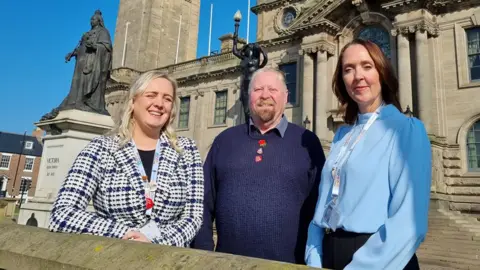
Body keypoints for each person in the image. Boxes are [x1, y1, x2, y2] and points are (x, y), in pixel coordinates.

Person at [305, 39, 432, 270]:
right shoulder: (342, 136)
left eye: (367, 66)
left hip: (380, 259)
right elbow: (322, 206)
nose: (357, 76)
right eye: (348, 69)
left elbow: (409, 224)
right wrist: (314, 255)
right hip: (329, 253)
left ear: (381, 72)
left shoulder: (407, 130)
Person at [49, 70, 204, 247]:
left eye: (167, 99)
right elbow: (62, 213)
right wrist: (124, 233)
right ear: (133, 101)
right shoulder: (101, 149)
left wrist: (156, 241)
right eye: (151, 95)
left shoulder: (187, 151)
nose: (159, 103)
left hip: (168, 257)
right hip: (114, 254)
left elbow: (193, 216)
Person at [191, 67, 326, 264]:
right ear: (248, 96)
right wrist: (205, 256)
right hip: (228, 265)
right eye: (258, 90)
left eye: (272, 89)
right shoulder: (225, 140)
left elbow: (319, 208)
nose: (265, 95)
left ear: (286, 96)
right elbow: (203, 203)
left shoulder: (307, 142)